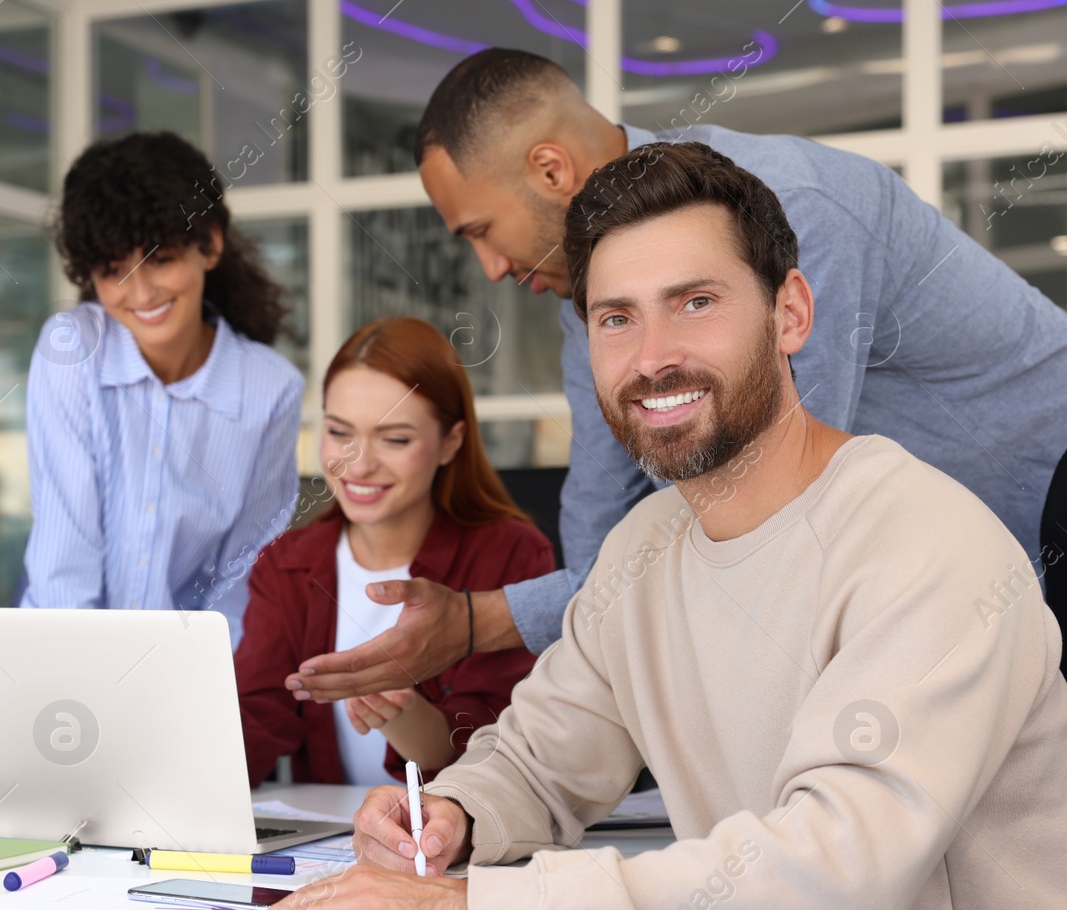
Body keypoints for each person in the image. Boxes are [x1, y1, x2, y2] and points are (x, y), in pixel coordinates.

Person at [229, 143, 1067, 910]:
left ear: (791, 313)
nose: (654, 357)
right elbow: (543, 757)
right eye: (616, 318)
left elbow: (835, 881)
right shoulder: (646, 549)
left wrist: (473, 907)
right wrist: (454, 814)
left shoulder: (925, 542)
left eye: (695, 303)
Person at [288, 48, 1067, 707]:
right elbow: (606, 553)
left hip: (1045, 521)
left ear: (552, 168)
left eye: (482, 231)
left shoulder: (789, 212)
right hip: (951, 597)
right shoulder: (585, 293)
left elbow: (763, 513)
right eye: (618, 318)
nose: (489, 267)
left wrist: (483, 620)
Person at [234, 317, 551, 787]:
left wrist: (399, 713)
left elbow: (496, 747)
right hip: (331, 849)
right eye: (341, 433)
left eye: (395, 439)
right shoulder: (286, 563)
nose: (359, 465)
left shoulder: (511, 554)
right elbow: (258, 714)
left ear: (451, 443)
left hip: (462, 844)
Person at [20, 132, 303, 648]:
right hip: (62, 655)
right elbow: (65, 567)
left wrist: (207, 691)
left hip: (188, 674)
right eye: (113, 270)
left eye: (160, 259)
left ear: (210, 245)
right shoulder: (71, 351)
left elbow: (241, 579)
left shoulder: (271, 390)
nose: (142, 292)